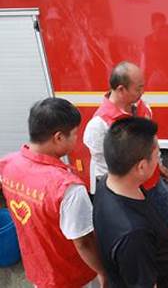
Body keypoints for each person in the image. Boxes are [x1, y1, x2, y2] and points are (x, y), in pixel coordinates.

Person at [83, 61, 168, 253]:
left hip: (153, 180)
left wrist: (159, 163)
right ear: (121, 89)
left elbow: (152, 140)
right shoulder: (99, 126)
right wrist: (129, 191)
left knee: (166, 212)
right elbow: (104, 168)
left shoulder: (141, 107)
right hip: (129, 192)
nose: (143, 92)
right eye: (139, 88)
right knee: (139, 229)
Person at [0, 98, 106, 287]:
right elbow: (84, 243)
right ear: (58, 137)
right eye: (74, 134)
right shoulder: (68, 189)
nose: (77, 139)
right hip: (70, 277)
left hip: (38, 272)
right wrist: (103, 272)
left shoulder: (7, 164)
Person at [93, 117, 168, 287]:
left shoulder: (106, 183)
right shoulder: (134, 234)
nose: (158, 161)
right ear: (141, 167)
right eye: (156, 156)